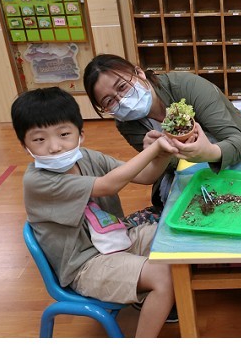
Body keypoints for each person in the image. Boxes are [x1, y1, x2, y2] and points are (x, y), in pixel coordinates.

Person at [11, 87, 176, 338]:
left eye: (64, 134)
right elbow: (108, 185)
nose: (55, 147)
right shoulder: (37, 181)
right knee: (163, 276)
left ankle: (157, 297)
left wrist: (162, 153)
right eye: (39, 140)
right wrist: (152, 151)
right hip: (85, 265)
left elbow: (145, 175)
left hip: (118, 240)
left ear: (80, 134)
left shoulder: (86, 157)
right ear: (25, 145)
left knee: (176, 237)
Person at [83, 54, 241, 209]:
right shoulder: (126, 123)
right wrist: (157, 155)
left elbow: (239, 141)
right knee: (181, 203)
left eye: (123, 87)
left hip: (240, 153)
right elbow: (166, 168)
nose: (122, 101)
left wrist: (209, 152)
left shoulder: (186, 86)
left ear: (139, 73)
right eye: (109, 101)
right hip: (188, 169)